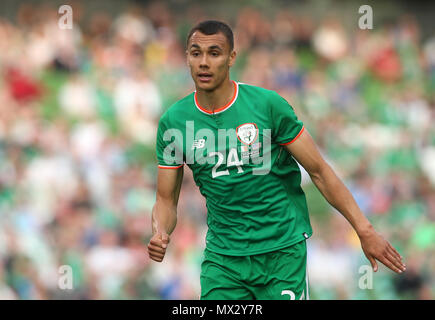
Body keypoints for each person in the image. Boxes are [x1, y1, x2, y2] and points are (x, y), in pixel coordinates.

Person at [147, 20, 406, 300]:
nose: (204, 62)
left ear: (232, 57)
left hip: (282, 253)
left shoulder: (267, 106)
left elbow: (318, 171)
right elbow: (165, 200)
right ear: (187, 57)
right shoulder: (174, 123)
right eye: (196, 53)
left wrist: (364, 229)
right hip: (224, 260)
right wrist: (161, 231)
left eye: (214, 53)